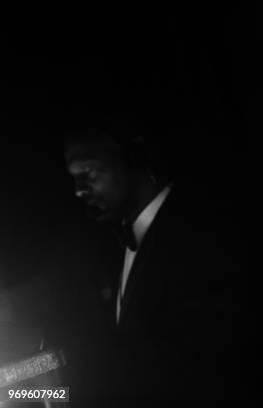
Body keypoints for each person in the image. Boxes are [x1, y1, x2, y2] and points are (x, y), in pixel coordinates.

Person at [63, 116, 237, 406]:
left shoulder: (200, 232)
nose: (79, 190)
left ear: (133, 158)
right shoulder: (113, 251)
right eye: (74, 178)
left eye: (89, 171)